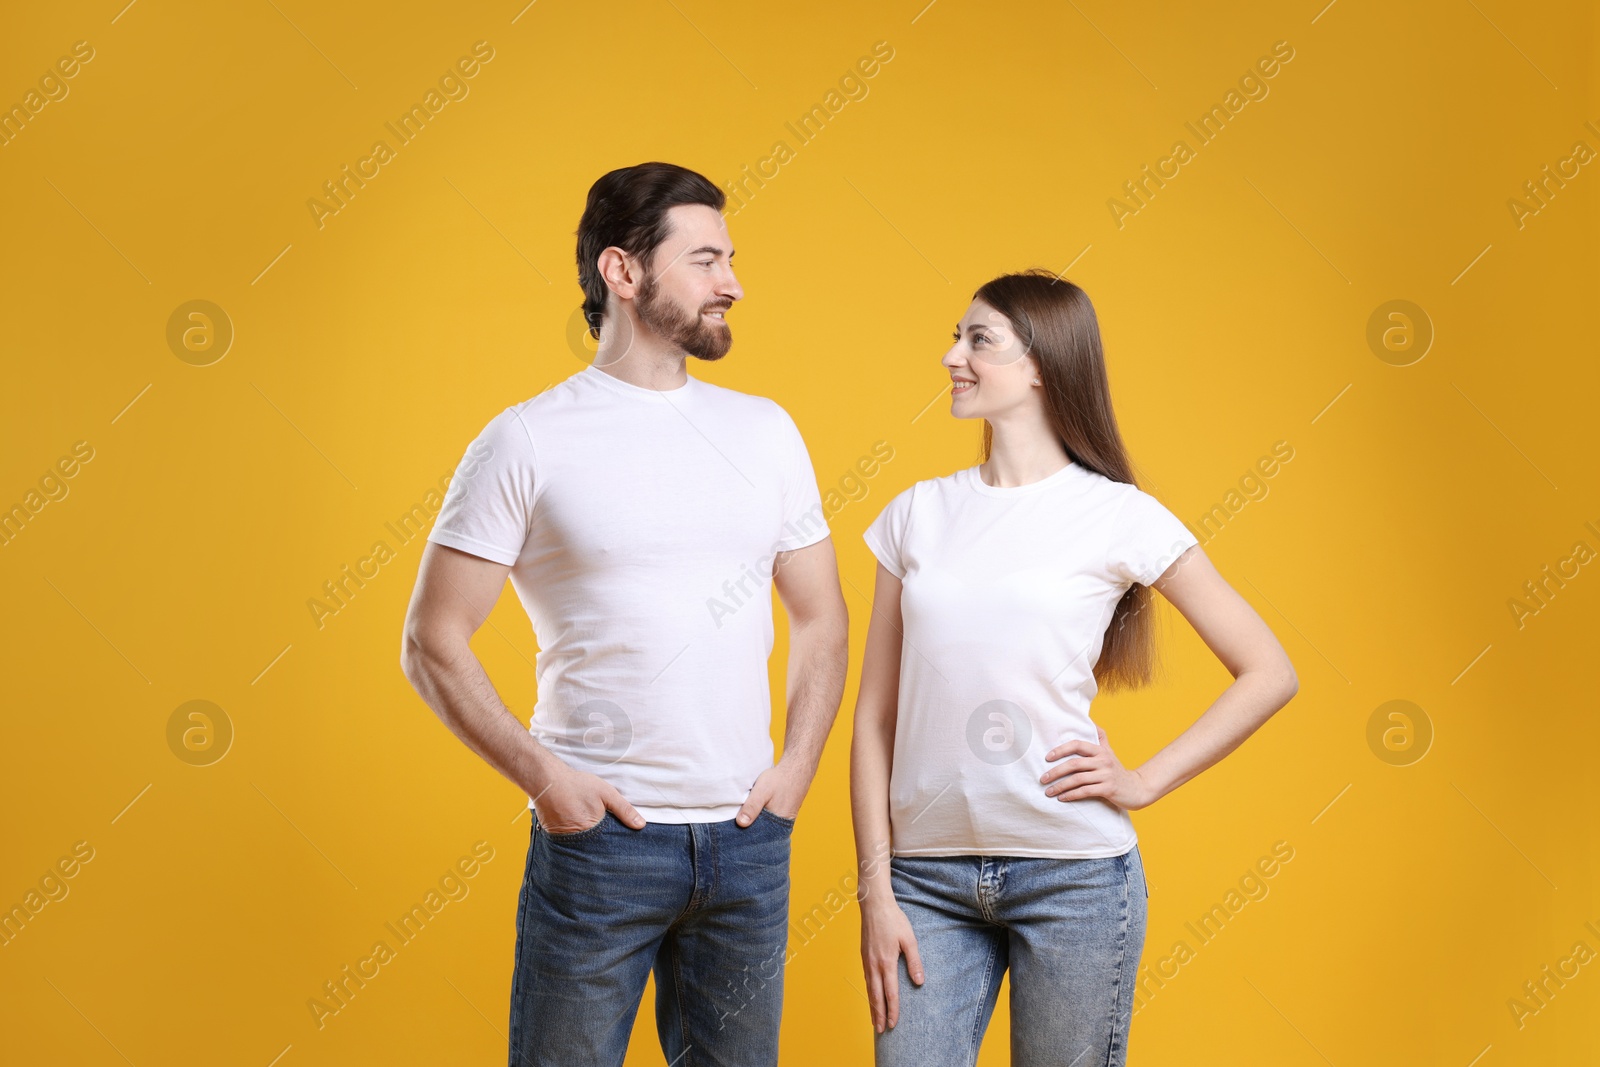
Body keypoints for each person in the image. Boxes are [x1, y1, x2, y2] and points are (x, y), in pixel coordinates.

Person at [400, 161, 849, 1067]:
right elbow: (431, 639)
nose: (733, 283)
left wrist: (796, 767)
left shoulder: (767, 431)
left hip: (750, 842)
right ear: (622, 271)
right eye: (706, 259)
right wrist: (547, 781)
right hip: (602, 842)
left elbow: (824, 618)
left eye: (731, 260)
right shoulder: (527, 439)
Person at [850, 270, 1299, 1067]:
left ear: (1042, 366)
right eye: (955, 336)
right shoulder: (916, 513)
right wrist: (875, 892)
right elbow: (874, 719)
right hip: (923, 883)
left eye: (977, 339)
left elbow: (1268, 669)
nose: (952, 355)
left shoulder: (1118, 514)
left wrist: (1144, 780)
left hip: (1076, 883)